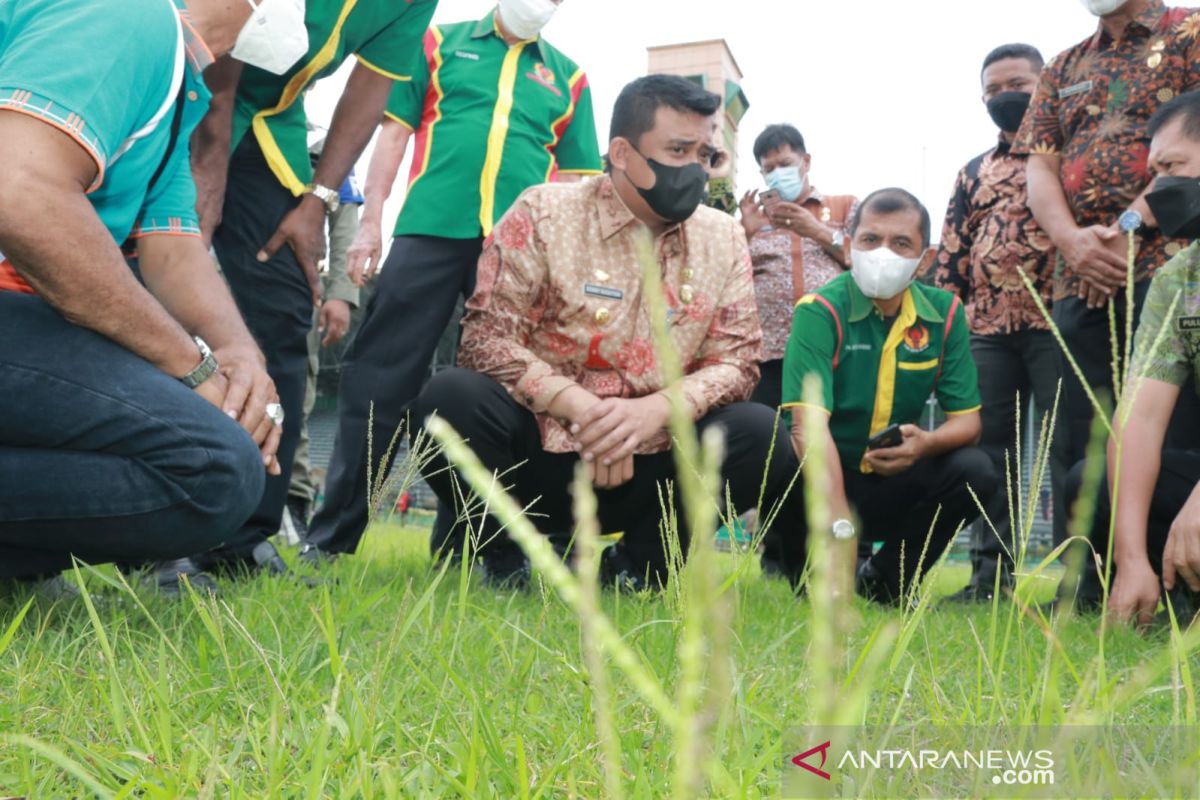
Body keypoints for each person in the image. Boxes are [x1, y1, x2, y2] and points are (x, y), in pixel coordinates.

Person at [408, 75, 804, 588]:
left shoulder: (723, 235)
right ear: (622, 152)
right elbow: (486, 340)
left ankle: (638, 568)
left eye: (705, 155)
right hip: (539, 459)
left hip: (653, 467)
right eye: (677, 149)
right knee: (450, 398)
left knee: (759, 434)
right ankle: (502, 556)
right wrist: (585, 411)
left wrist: (650, 413)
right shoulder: (544, 212)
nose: (694, 169)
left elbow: (738, 362)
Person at [0, 0, 289, 593]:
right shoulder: (129, 18)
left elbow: (174, 249)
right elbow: (20, 192)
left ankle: (24, 561)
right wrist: (194, 368)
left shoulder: (179, 84)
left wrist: (241, 356)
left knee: (220, 457)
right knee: (211, 466)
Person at [302, 0, 603, 564]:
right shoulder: (438, 43)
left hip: (519, 255)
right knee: (377, 380)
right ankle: (331, 542)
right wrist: (371, 224)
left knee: (495, 396)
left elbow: (577, 183)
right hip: (431, 230)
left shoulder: (570, 78)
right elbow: (392, 135)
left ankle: (469, 542)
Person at [180, 0, 438, 583]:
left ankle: (245, 538)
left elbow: (372, 85)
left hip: (270, 122)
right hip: (186, 84)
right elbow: (224, 21)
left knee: (283, 309)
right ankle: (150, 535)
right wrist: (211, 153)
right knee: (148, 266)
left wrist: (317, 200)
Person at [1014, 0, 1200, 603]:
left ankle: (1182, 578)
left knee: (1183, 429)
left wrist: (1127, 228)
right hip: (1079, 278)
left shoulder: (1192, 31)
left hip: (1160, 253)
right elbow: (1039, 166)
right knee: (1087, 438)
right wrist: (1074, 243)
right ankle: (1101, 581)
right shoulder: (1065, 65)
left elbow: (1180, 160)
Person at [782, 189, 997, 604]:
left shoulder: (945, 315)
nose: (883, 253)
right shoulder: (819, 311)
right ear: (849, 245)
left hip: (891, 481)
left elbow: (969, 424)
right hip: (819, 485)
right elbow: (807, 426)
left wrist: (926, 444)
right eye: (870, 240)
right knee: (777, 450)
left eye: (901, 244)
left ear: (925, 259)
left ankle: (886, 578)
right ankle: (801, 564)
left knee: (975, 470)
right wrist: (838, 526)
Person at [933, 44, 1066, 602]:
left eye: (1018, 83)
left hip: (1059, 325)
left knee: (1069, 450)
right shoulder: (972, 171)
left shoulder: (1068, 156)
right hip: (985, 332)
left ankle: (1081, 581)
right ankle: (989, 578)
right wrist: (948, 322)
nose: (1004, 96)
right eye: (992, 90)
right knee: (991, 456)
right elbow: (951, 252)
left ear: (1044, 84)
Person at [1066, 90, 1200, 629]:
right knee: (1090, 478)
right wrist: (1130, 560)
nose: (1160, 187)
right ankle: (1151, 598)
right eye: (1154, 171)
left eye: (1174, 167)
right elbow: (1140, 418)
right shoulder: (1179, 278)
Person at [739, 124, 857, 408]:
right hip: (770, 354)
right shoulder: (754, 219)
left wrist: (817, 230)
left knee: (830, 430)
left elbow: (865, 260)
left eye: (785, 164)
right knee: (774, 437)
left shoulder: (844, 206)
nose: (778, 173)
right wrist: (743, 234)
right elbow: (727, 280)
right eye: (769, 168)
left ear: (806, 162)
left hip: (834, 346)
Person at [283, 162, 363, 546]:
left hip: (298, 285)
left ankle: (294, 500)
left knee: (294, 392)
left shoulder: (323, 149)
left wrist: (340, 292)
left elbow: (346, 216)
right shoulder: (219, 121)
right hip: (214, 273)